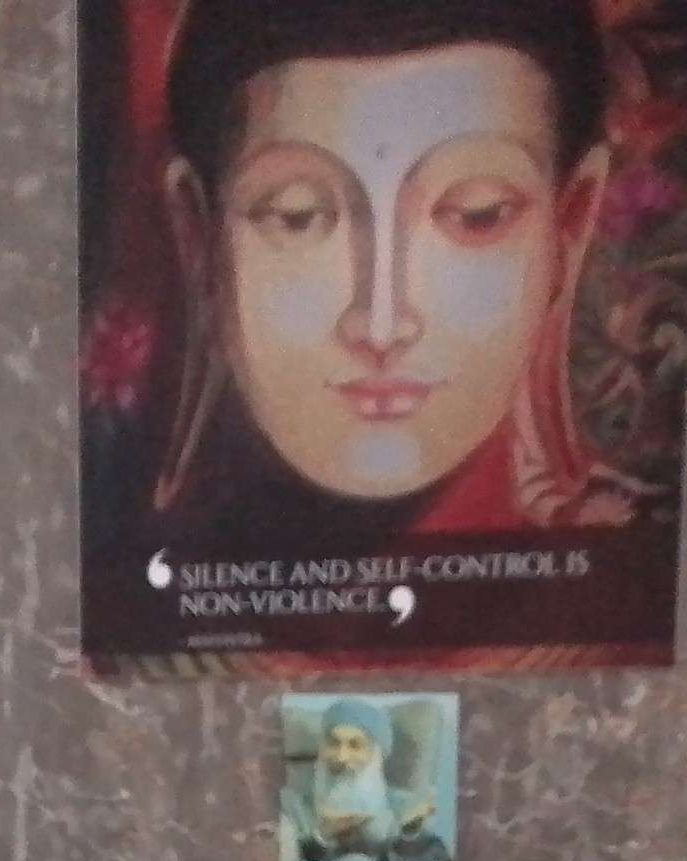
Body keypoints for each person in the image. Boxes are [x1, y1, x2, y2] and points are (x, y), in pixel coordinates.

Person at [153, 0, 619, 532]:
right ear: (200, 236)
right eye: (298, 217)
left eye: (478, 215)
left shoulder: (627, 555)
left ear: (570, 225)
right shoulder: (127, 560)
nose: (381, 327)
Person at [286, 698, 440, 861]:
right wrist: (322, 836)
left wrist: (409, 835)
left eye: (355, 745)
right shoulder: (293, 805)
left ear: (376, 755)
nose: (341, 757)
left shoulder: (404, 806)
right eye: (333, 743)